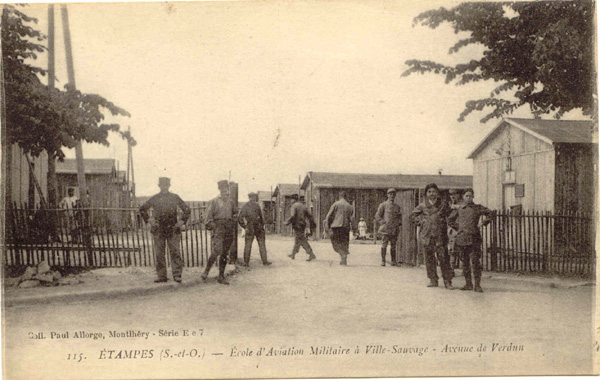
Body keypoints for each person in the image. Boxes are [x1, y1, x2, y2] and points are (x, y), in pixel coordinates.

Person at [139, 177, 190, 283]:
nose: (164, 187)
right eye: (162, 185)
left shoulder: (175, 197)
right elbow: (142, 209)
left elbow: (187, 210)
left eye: (166, 185)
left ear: (169, 186)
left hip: (173, 229)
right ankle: (162, 276)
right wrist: (150, 220)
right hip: (159, 230)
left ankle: (177, 275)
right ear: (159, 186)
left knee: (175, 252)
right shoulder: (155, 198)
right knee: (159, 253)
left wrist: (181, 222)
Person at [448, 188, 494, 293]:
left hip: (474, 239)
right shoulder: (460, 208)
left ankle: (477, 285)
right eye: (466, 196)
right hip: (462, 239)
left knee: (475, 262)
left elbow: (491, 213)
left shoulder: (477, 208)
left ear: (473, 196)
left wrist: (483, 223)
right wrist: (458, 228)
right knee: (465, 263)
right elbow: (450, 220)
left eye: (470, 196)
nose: (468, 198)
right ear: (463, 197)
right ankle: (468, 284)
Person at [410, 183, 454, 289]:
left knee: (443, 258)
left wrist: (446, 223)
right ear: (426, 194)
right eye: (429, 192)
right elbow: (412, 216)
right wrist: (421, 222)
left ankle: (447, 281)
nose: (432, 194)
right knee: (429, 258)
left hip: (440, 235)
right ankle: (433, 280)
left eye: (434, 191)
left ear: (437, 193)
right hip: (427, 236)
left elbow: (452, 215)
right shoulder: (422, 205)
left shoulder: (443, 205)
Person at [202, 180, 238, 285]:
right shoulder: (214, 201)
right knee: (217, 250)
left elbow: (235, 212)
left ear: (228, 189)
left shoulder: (231, 202)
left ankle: (221, 276)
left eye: (226, 188)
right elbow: (208, 218)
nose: (224, 190)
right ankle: (206, 271)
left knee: (225, 252)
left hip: (228, 228)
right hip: (218, 227)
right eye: (222, 188)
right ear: (219, 189)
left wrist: (234, 218)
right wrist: (215, 227)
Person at [238, 192, 272, 267]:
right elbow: (240, 218)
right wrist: (245, 227)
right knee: (249, 245)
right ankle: (246, 262)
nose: (253, 199)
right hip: (251, 228)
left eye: (254, 197)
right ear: (249, 198)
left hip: (257, 228)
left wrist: (262, 226)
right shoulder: (246, 206)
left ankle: (264, 261)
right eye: (251, 197)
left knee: (261, 244)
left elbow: (261, 217)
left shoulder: (256, 206)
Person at [325, 191, 354, 265]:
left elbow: (328, 216)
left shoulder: (336, 204)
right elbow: (352, 219)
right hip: (346, 227)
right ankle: (343, 259)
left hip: (336, 226)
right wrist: (353, 228)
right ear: (346, 197)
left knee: (335, 243)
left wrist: (327, 227)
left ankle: (343, 255)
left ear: (339, 196)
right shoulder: (350, 206)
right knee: (344, 243)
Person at [375, 188, 402, 266]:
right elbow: (377, 215)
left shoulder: (397, 206)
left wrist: (399, 224)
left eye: (393, 194)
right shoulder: (383, 205)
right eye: (390, 194)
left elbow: (399, 217)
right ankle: (383, 261)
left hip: (394, 229)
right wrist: (382, 222)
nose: (392, 196)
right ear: (387, 195)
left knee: (393, 245)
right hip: (386, 229)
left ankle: (393, 261)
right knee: (384, 244)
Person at [286, 194, 316, 261]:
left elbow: (293, 216)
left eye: (291, 199)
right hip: (302, 225)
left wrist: (287, 222)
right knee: (298, 239)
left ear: (293, 199)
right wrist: (312, 224)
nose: (290, 201)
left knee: (302, 240)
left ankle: (311, 254)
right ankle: (293, 254)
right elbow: (310, 216)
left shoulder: (294, 206)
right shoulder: (303, 206)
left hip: (297, 225)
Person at [447, 189, 462, 270]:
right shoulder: (449, 205)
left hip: (458, 230)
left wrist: (457, 227)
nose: (452, 196)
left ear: (458, 195)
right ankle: (451, 269)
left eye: (454, 194)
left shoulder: (461, 205)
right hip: (450, 231)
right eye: (451, 194)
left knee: (462, 250)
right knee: (451, 250)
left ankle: (464, 269)